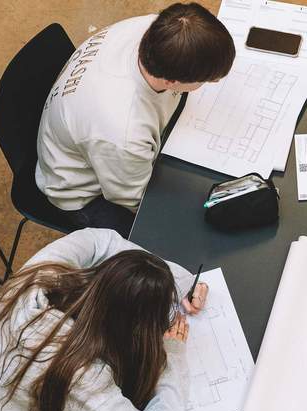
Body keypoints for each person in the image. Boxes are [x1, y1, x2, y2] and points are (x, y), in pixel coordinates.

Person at [0, 228, 210, 411]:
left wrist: (179, 282)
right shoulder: (79, 375)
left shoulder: (47, 270)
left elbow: (100, 239)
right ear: (134, 331)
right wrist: (173, 356)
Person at [35, 3, 235, 237]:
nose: (211, 84)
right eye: (206, 81)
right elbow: (134, 199)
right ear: (171, 82)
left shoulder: (158, 29)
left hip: (98, 147)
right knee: (177, 239)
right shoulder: (124, 132)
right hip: (84, 193)